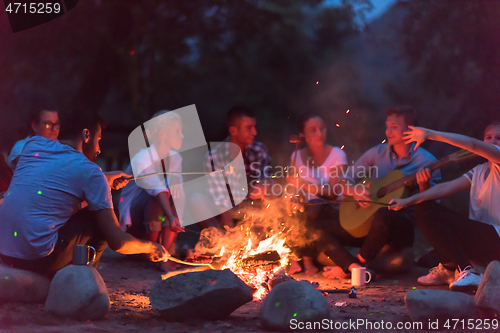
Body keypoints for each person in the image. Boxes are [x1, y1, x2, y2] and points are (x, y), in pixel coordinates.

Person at [0, 109, 168, 277]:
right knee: (99, 218)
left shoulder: (33, 146)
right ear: (86, 135)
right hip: (38, 258)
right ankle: (80, 279)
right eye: (98, 140)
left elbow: (56, 177)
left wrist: (104, 179)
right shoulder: (90, 171)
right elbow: (118, 242)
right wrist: (151, 247)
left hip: (5, 252)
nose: (99, 149)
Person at [320, 106, 441, 279]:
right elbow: (345, 179)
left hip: (399, 228)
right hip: (367, 226)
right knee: (318, 224)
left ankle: (357, 266)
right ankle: (350, 264)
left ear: (411, 130)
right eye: (387, 126)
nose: (388, 131)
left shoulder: (427, 161)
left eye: (394, 127)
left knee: (386, 213)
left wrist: (423, 186)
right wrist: (354, 190)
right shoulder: (377, 153)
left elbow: (431, 210)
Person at [389, 121, 500, 292]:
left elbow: (471, 144)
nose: (493, 141)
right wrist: (408, 200)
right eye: (489, 137)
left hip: (496, 241)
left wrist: (429, 133)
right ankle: (450, 269)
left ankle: (467, 271)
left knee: (430, 212)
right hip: (481, 240)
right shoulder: (479, 170)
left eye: (498, 138)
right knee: (424, 208)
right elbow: (445, 187)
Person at [119, 110, 185, 272]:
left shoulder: (175, 158)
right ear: (162, 134)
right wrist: (169, 216)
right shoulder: (142, 158)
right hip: (135, 226)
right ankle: (154, 252)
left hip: (159, 219)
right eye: (177, 131)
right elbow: (157, 189)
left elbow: (177, 193)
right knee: (157, 197)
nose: (182, 136)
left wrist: (175, 218)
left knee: (176, 194)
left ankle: (165, 253)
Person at [191, 106, 273, 229]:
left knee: (278, 192)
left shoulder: (258, 150)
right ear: (233, 131)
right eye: (249, 128)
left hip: (252, 208)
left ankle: (267, 231)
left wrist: (264, 184)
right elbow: (220, 198)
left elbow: (269, 177)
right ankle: (218, 239)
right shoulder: (214, 157)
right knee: (196, 200)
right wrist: (230, 230)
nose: (254, 133)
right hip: (224, 210)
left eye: (254, 127)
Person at [287, 113, 347, 275]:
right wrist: (293, 194)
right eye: (313, 130)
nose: (320, 134)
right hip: (306, 210)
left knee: (312, 207)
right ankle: (296, 258)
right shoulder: (296, 155)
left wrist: (305, 184)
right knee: (288, 206)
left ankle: (306, 259)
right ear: (302, 135)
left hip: (331, 208)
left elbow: (334, 193)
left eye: (322, 128)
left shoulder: (337, 155)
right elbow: (295, 189)